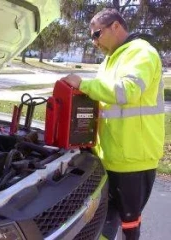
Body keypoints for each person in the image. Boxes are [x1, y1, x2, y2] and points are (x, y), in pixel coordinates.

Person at [62, 8, 165, 240]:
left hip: (134, 159)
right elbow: (102, 103)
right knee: (104, 216)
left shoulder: (141, 52)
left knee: (129, 222)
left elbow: (126, 91)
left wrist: (84, 84)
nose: (94, 41)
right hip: (108, 156)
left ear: (116, 26)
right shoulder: (109, 61)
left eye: (96, 34)